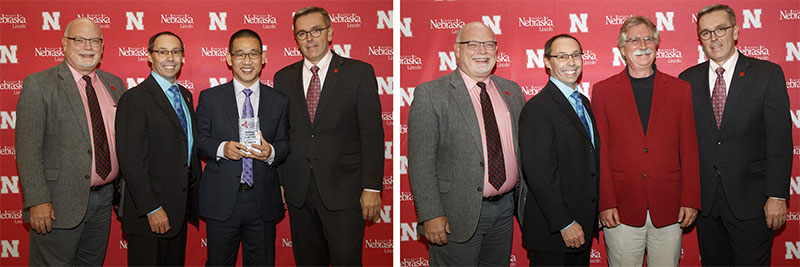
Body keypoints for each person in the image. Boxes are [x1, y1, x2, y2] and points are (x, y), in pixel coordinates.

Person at [678, 4, 792, 266]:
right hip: (705, 206)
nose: (714, 38)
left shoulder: (767, 74)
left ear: (736, 31)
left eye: (720, 29)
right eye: (706, 33)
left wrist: (776, 195)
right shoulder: (686, 80)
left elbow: (780, 141)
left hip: (753, 202)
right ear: (700, 39)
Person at [273, 6, 384, 266]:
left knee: (346, 260)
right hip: (299, 191)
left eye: (316, 30)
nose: (310, 38)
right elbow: (281, 134)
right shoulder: (283, 78)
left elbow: (372, 134)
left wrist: (371, 187)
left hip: (346, 191)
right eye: (302, 33)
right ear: (295, 38)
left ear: (330, 32)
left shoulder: (358, 72)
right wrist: (279, 182)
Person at [408, 21, 525, 266]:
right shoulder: (431, 94)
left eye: (489, 44)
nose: (482, 51)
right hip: (455, 214)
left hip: (505, 211)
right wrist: (431, 214)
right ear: (457, 50)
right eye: (473, 44)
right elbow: (421, 162)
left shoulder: (512, 92)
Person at [16, 17, 125, 266]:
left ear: (102, 46)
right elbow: (27, 149)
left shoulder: (115, 84)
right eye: (79, 40)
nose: (88, 46)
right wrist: (38, 200)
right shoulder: (39, 84)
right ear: (64, 44)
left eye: (94, 40)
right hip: (57, 204)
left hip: (104, 200)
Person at [593, 16, 700, 266]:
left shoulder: (680, 90)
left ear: (657, 45)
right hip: (621, 208)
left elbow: (689, 148)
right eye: (634, 40)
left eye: (648, 38)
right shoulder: (603, 91)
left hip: (670, 206)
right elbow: (600, 152)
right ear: (622, 48)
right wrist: (605, 202)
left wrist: (690, 199)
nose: (643, 44)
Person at [195, 29, 289, 266]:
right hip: (222, 199)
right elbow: (200, 140)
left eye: (253, 54)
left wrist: (272, 153)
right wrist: (222, 148)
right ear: (229, 58)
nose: (247, 61)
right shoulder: (210, 97)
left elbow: (286, 143)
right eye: (240, 54)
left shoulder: (279, 100)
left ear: (263, 58)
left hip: (262, 201)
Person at [115, 31, 200, 266]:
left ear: (183, 57)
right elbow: (131, 162)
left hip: (178, 210)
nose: (170, 57)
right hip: (150, 214)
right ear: (150, 57)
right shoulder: (135, 99)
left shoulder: (185, 95)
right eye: (162, 52)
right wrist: (152, 208)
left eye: (176, 52)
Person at [519, 34, 599, 266]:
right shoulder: (538, 108)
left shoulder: (583, 102)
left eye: (575, 55)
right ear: (547, 62)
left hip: (581, 225)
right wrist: (564, 223)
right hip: (554, 233)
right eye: (562, 56)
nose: (571, 62)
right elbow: (539, 175)